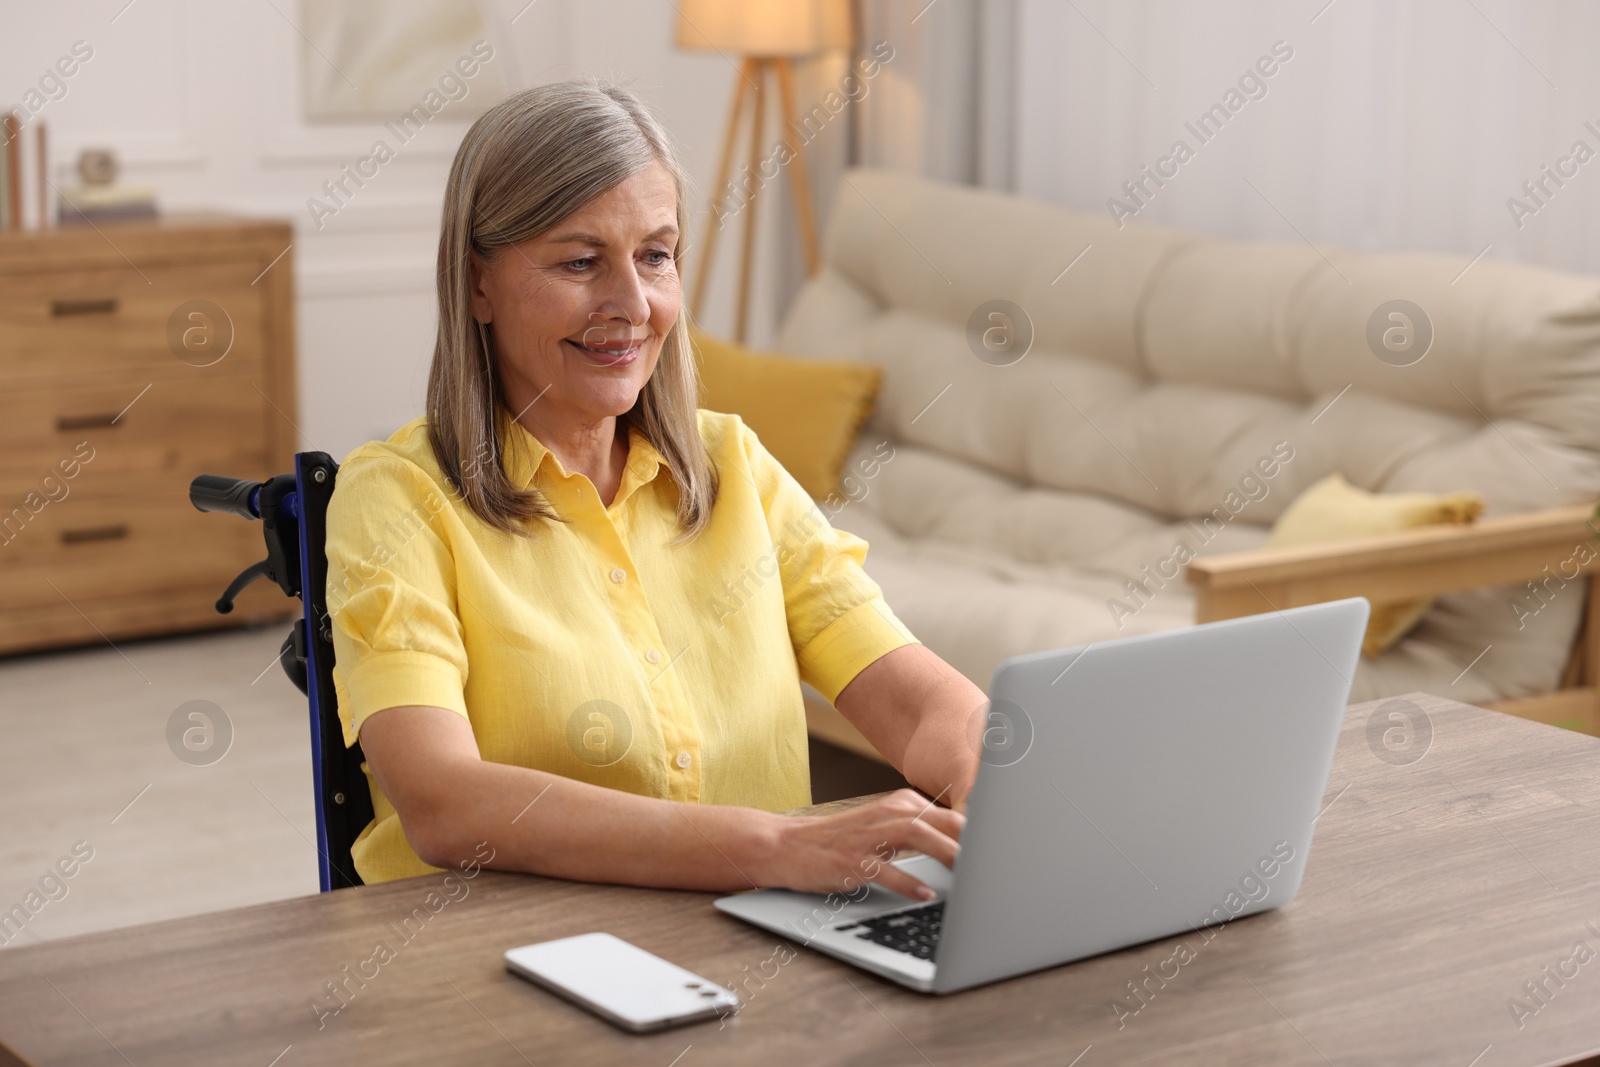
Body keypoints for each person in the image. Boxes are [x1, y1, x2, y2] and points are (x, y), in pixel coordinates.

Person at [325, 79, 982, 901]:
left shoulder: (732, 466)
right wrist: (772, 845)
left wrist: (992, 761)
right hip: (490, 961)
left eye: (656, 255)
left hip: (749, 938)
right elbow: (444, 803)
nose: (633, 306)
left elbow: (917, 707)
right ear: (478, 285)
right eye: (580, 260)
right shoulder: (396, 498)